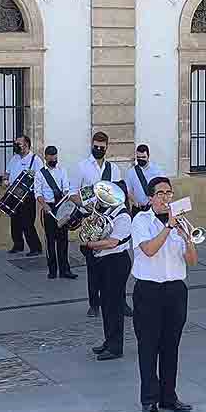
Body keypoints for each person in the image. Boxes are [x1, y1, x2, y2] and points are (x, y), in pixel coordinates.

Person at [131, 176, 198, 412]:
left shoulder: (181, 222)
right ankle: (149, 400)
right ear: (150, 198)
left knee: (171, 346)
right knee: (148, 347)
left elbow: (192, 261)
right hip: (149, 291)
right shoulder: (141, 220)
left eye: (168, 193)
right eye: (160, 194)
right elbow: (148, 250)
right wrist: (168, 227)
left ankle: (168, 396)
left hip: (176, 290)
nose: (165, 198)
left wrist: (187, 238)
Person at [77, 131, 126, 318]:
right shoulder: (82, 167)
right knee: (93, 266)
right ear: (91, 145)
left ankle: (121, 302)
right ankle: (94, 304)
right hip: (91, 219)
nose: (98, 149)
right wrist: (87, 206)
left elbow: (119, 193)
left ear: (107, 147)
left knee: (116, 265)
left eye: (101, 147)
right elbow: (73, 193)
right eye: (95, 146)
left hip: (111, 219)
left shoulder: (114, 169)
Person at [83, 189, 132, 361]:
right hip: (104, 261)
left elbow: (112, 242)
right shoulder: (107, 211)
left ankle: (115, 347)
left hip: (116, 262)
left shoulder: (123, 216)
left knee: (114, 306)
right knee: (106, 304)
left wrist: (90, 244)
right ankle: (109, 341)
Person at [35, 146, 78, 280]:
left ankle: (65, 270)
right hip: (48, 209)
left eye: (55, 157)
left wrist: (67, 199)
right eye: (51, 158)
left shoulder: (62, 170)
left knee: (63, 240)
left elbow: (66, 188)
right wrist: (44, 205)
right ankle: (52, 270)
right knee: (50, 241)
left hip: (61, 207)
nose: (54, 160)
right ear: (46, 157)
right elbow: (38, 193)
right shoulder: (40, 174)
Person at [3, 134, 43, 256]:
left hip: (27, 196)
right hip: (14, 194)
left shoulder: (35, 160)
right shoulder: (14, 158)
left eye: (18, 144)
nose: (16, 146)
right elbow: (7, 173)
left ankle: (35, 248)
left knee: (27, 223)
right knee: (14, 222)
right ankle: (18, 245)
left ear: (26, 145)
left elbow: (41, 178)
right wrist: (5, 180)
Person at [125, 144, 162, 216]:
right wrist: (135, 201)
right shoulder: (131, 172)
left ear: (148, 156)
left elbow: (163, 188)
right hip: (138, 209)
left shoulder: (157, 171)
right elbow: (128, 190)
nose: (141, 159)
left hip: (153, 208)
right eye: (138, 157)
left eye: (143, 157)